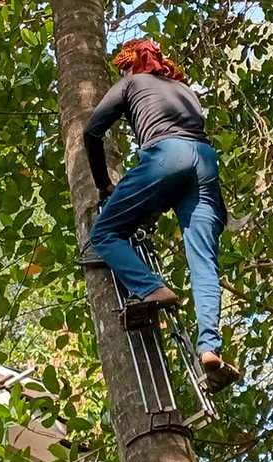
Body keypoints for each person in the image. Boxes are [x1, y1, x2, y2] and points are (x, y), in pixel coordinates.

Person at [83, 38, 236, 382]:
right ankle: (209, 347)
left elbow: (91, 133)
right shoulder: (185, 92)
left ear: (129, 64)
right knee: (204, 261)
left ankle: (151, 287)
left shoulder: (130, 83)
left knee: (104, 234)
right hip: (204, 163)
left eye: (122, 66)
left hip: (167, 156)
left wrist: (104, 184)